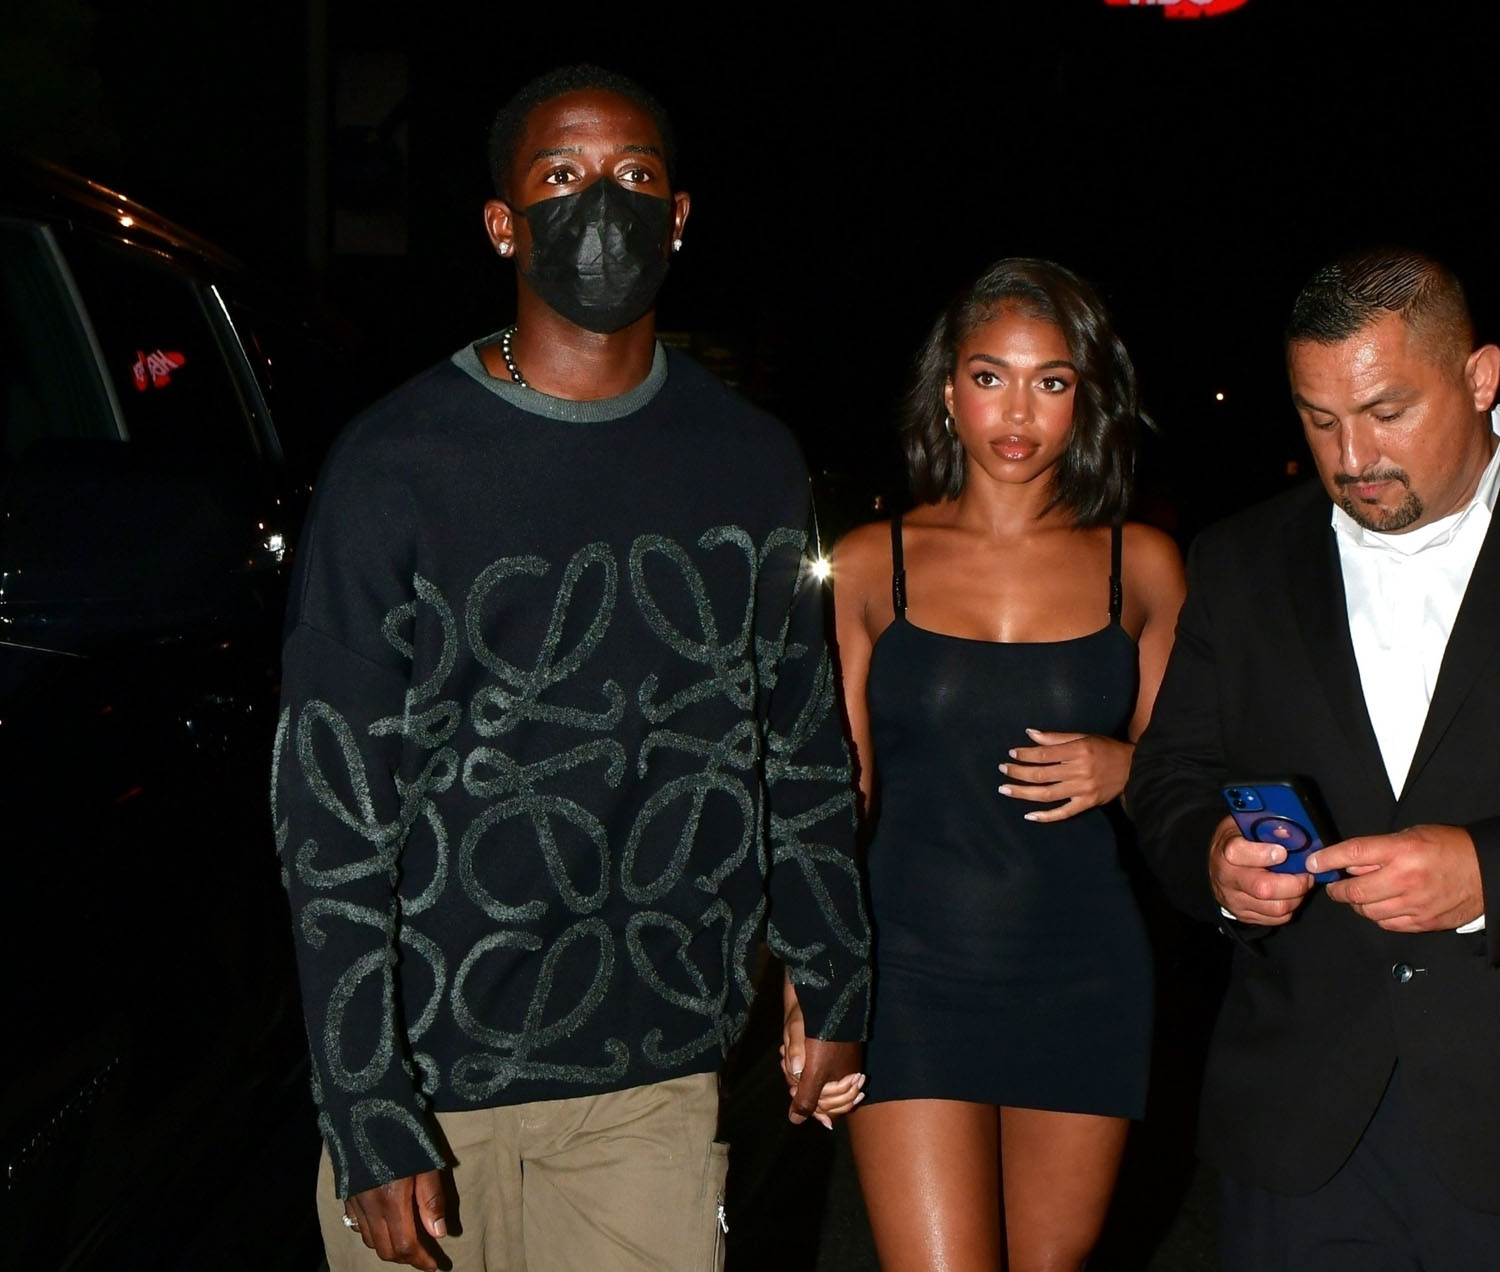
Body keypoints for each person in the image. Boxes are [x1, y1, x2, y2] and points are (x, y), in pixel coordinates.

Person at [273, 64, 869, 1272]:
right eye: (560, 176)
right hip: (428, 1073)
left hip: (648, 1068)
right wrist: (364, 1099)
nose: (601, 205)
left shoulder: (749, 461)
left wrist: (831, 971)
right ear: (504, 224)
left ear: (679, 216)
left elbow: (800, 740)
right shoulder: (398, 463)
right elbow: (330, 802)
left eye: (633, 175)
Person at [798, 258, 1185, 1270]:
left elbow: (1191, 779)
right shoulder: (870, 563)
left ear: (1085, 399)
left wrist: (1128, 768)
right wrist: (815, 972)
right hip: (910, 972)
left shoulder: (1141, 565)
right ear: (947, 390)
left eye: (1051, 381)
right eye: (989, 377)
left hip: (1085, 971)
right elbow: (836, 798)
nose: (1018, 412)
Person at [1127, 246, 1500, 1271]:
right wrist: (1214, 858)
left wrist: (1486, 872)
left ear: (1481, 378)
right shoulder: (1241, 559)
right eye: (1319, 419)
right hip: (1301, 1127)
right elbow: (1170, 774)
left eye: (1387, 411)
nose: (1353, 456)